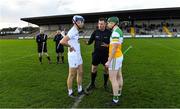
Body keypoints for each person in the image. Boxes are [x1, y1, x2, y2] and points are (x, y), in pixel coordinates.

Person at [60, 15, 87, 98]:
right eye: (81, 22)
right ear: (76, 22)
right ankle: (70, 92)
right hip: (73, 56)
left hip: (78, 54)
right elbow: (62, 42)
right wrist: (70, 47)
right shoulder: (73, 31)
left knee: (80, 72)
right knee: (72, 75)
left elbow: (70, 39)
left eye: (82, 22)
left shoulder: (76, 30)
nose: (82, 23)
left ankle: (80, 90)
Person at [85, 18, 112, 91]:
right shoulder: (95, 32)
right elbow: (90, 41)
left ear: (105, 24)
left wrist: (108, 45)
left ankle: (105, 85)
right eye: (99, 24)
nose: (100, 25)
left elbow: (114, 44)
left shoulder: (109, 33)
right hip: (96, 54)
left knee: (106, 69)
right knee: (93, 68)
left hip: (105, 55)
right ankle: (92, 84)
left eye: (102, 24)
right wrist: (87, 43)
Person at [105, 17, 124, 105]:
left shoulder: (115, 32)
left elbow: (114, 48)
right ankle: (118, 93)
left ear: (113, 23)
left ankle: (115, 99)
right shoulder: (119, 31)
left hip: (115, 57)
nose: (107, 24)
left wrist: (109, 60)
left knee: (113, 78)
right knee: (119, 75)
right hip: (119, 56)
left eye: (108, 23)